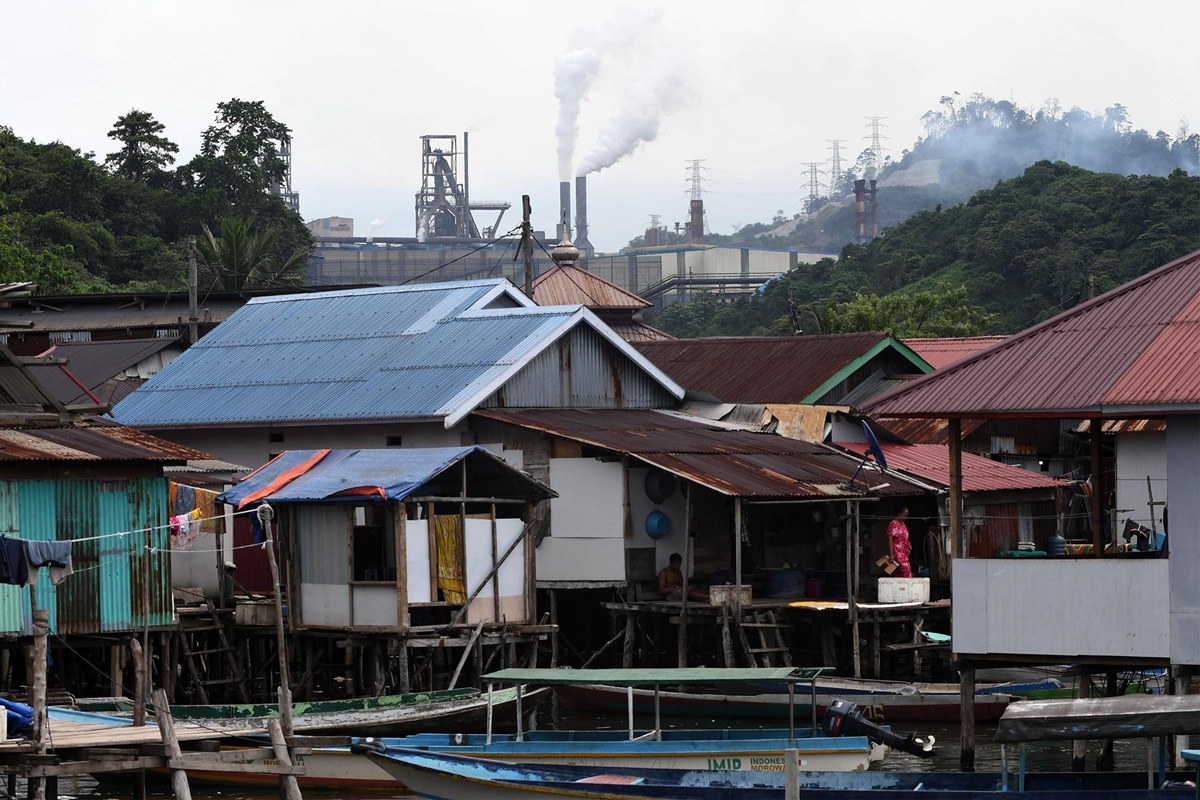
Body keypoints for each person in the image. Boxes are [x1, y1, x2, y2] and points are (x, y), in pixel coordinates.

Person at [887, 507, 913, 578]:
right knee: (905, 569)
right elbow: (890, 539)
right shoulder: (893, 523)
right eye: (904, 515)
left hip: (904, 552)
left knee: (904, 572)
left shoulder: (903, 525)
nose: (905, 517)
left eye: (906, 516)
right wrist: (891, 554)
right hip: (897, 551)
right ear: (899, 514)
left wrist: (909, 546)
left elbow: (905, 538)